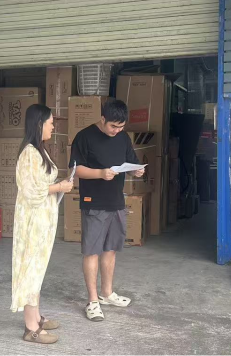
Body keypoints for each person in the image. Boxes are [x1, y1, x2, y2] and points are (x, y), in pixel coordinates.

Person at [69, 98, 145, 322]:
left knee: (111, 249)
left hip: (116, 201)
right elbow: (75, 170)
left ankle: (107, 293)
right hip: (94, 201)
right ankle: (93, 301)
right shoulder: (84, 137)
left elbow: (131, 162)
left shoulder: (123, 137)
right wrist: (100, 173)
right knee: (92, 251)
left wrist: (136, 171)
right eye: (113, 126)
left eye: (121, 126)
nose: (117, 130)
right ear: (102, 119)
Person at [11, 104, 75, 344]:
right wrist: (59, 187)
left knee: (37, 270)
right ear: (39, 124)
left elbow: (41, 184)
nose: (53, 127)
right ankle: (31, 328)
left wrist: (60, 185)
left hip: (42, 221)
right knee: (31, 270)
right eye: (50, 123)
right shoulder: (29, 153)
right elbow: (30, 190)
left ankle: (36, 317)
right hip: (32, 223)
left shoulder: (39, 151)